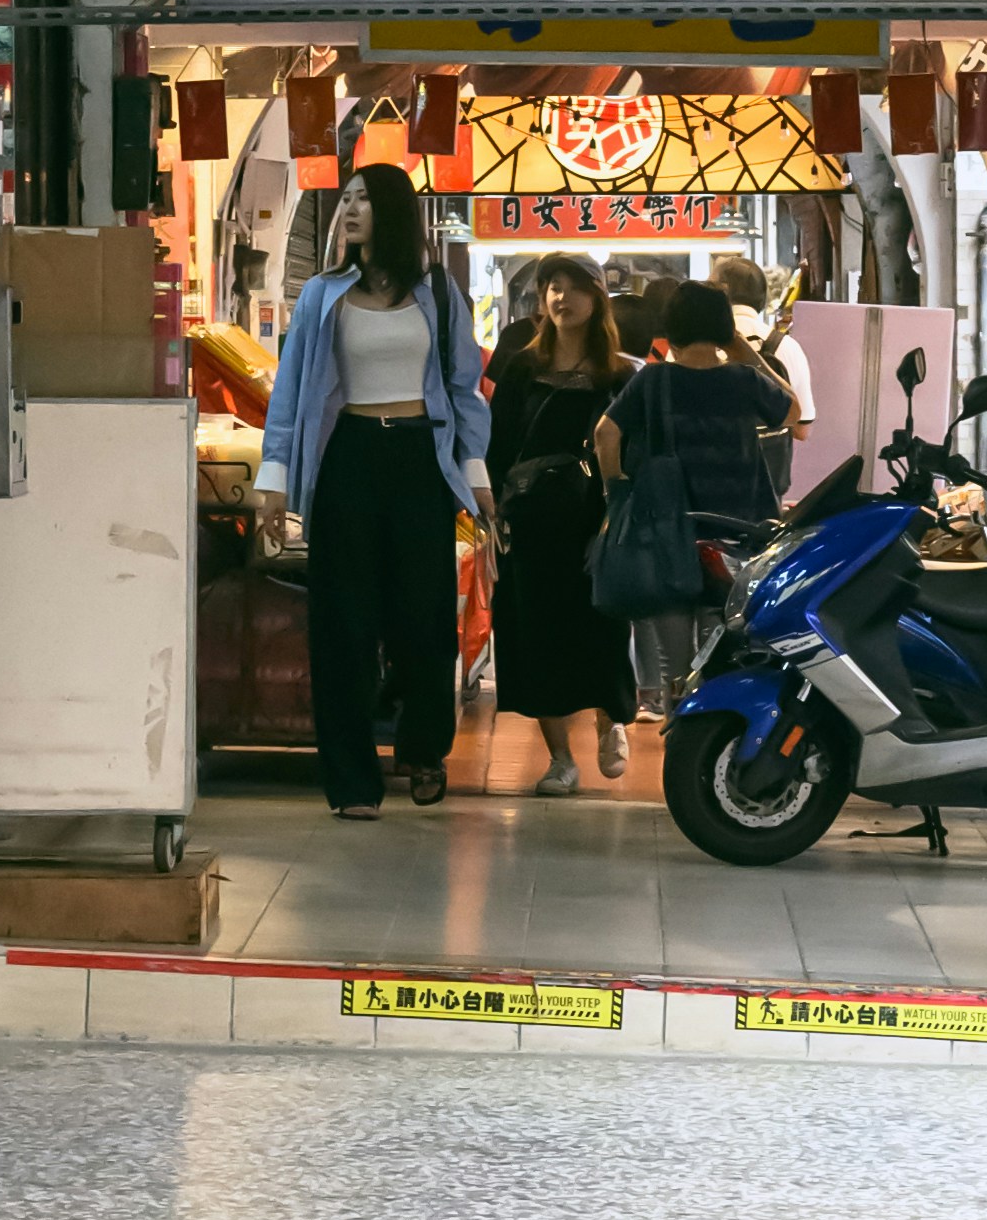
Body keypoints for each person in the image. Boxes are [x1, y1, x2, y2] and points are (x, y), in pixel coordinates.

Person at [265, 157, 489, 815]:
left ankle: (422, 749)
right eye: (348, 199)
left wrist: (476, 478)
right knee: (343, 625)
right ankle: (351, 781)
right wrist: (273, 480)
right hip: (348, 459)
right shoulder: (320, 295)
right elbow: (291, 392)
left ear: (392, 212)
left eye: (365, 199)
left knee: (425, 620)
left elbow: (464, 389)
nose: (351, 209)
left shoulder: (439, 293)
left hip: (421, 457)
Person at [596, 277, 797, 738]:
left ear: (672, 328)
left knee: (676, 662)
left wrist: (618, 491)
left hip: (670, 532)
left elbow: (606, 434)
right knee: (720, 647)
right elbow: (791, 412)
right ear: (724, 327)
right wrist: (747, 354)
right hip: (737, 532)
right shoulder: (744, 380)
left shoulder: (654, 380)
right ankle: (715, 739)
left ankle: (680, 733)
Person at [485, 253, 635, 792]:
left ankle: (610, 719)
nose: (560, 298)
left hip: (595, 520)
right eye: (551, 287)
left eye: (573, 288)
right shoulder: (520, 367)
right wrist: (495, 508)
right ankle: (560, 759)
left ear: (597, 299)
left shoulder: (619, 374)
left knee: (602, 626)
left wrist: (616, 517)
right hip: (531, 521)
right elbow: (497, 442)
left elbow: (632, 454)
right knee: (536, 633)